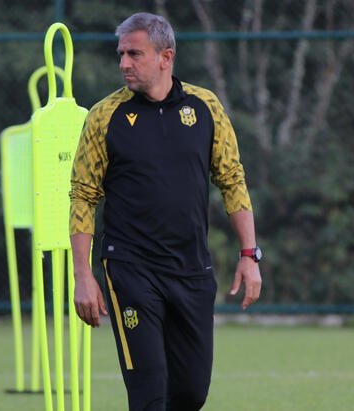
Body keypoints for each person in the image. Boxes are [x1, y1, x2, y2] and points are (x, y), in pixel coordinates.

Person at [69, 12, 262, 411]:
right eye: (121, 54)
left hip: (192, 269)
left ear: (165, 57)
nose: (123, 63)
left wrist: (249, 255)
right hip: (130, 269)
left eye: (134, 54)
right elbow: (83, 196)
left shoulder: (205, 107)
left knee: (190, 393)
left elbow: (232, 180)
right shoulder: (104, 116)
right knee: (149, 393)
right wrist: (82, 275)